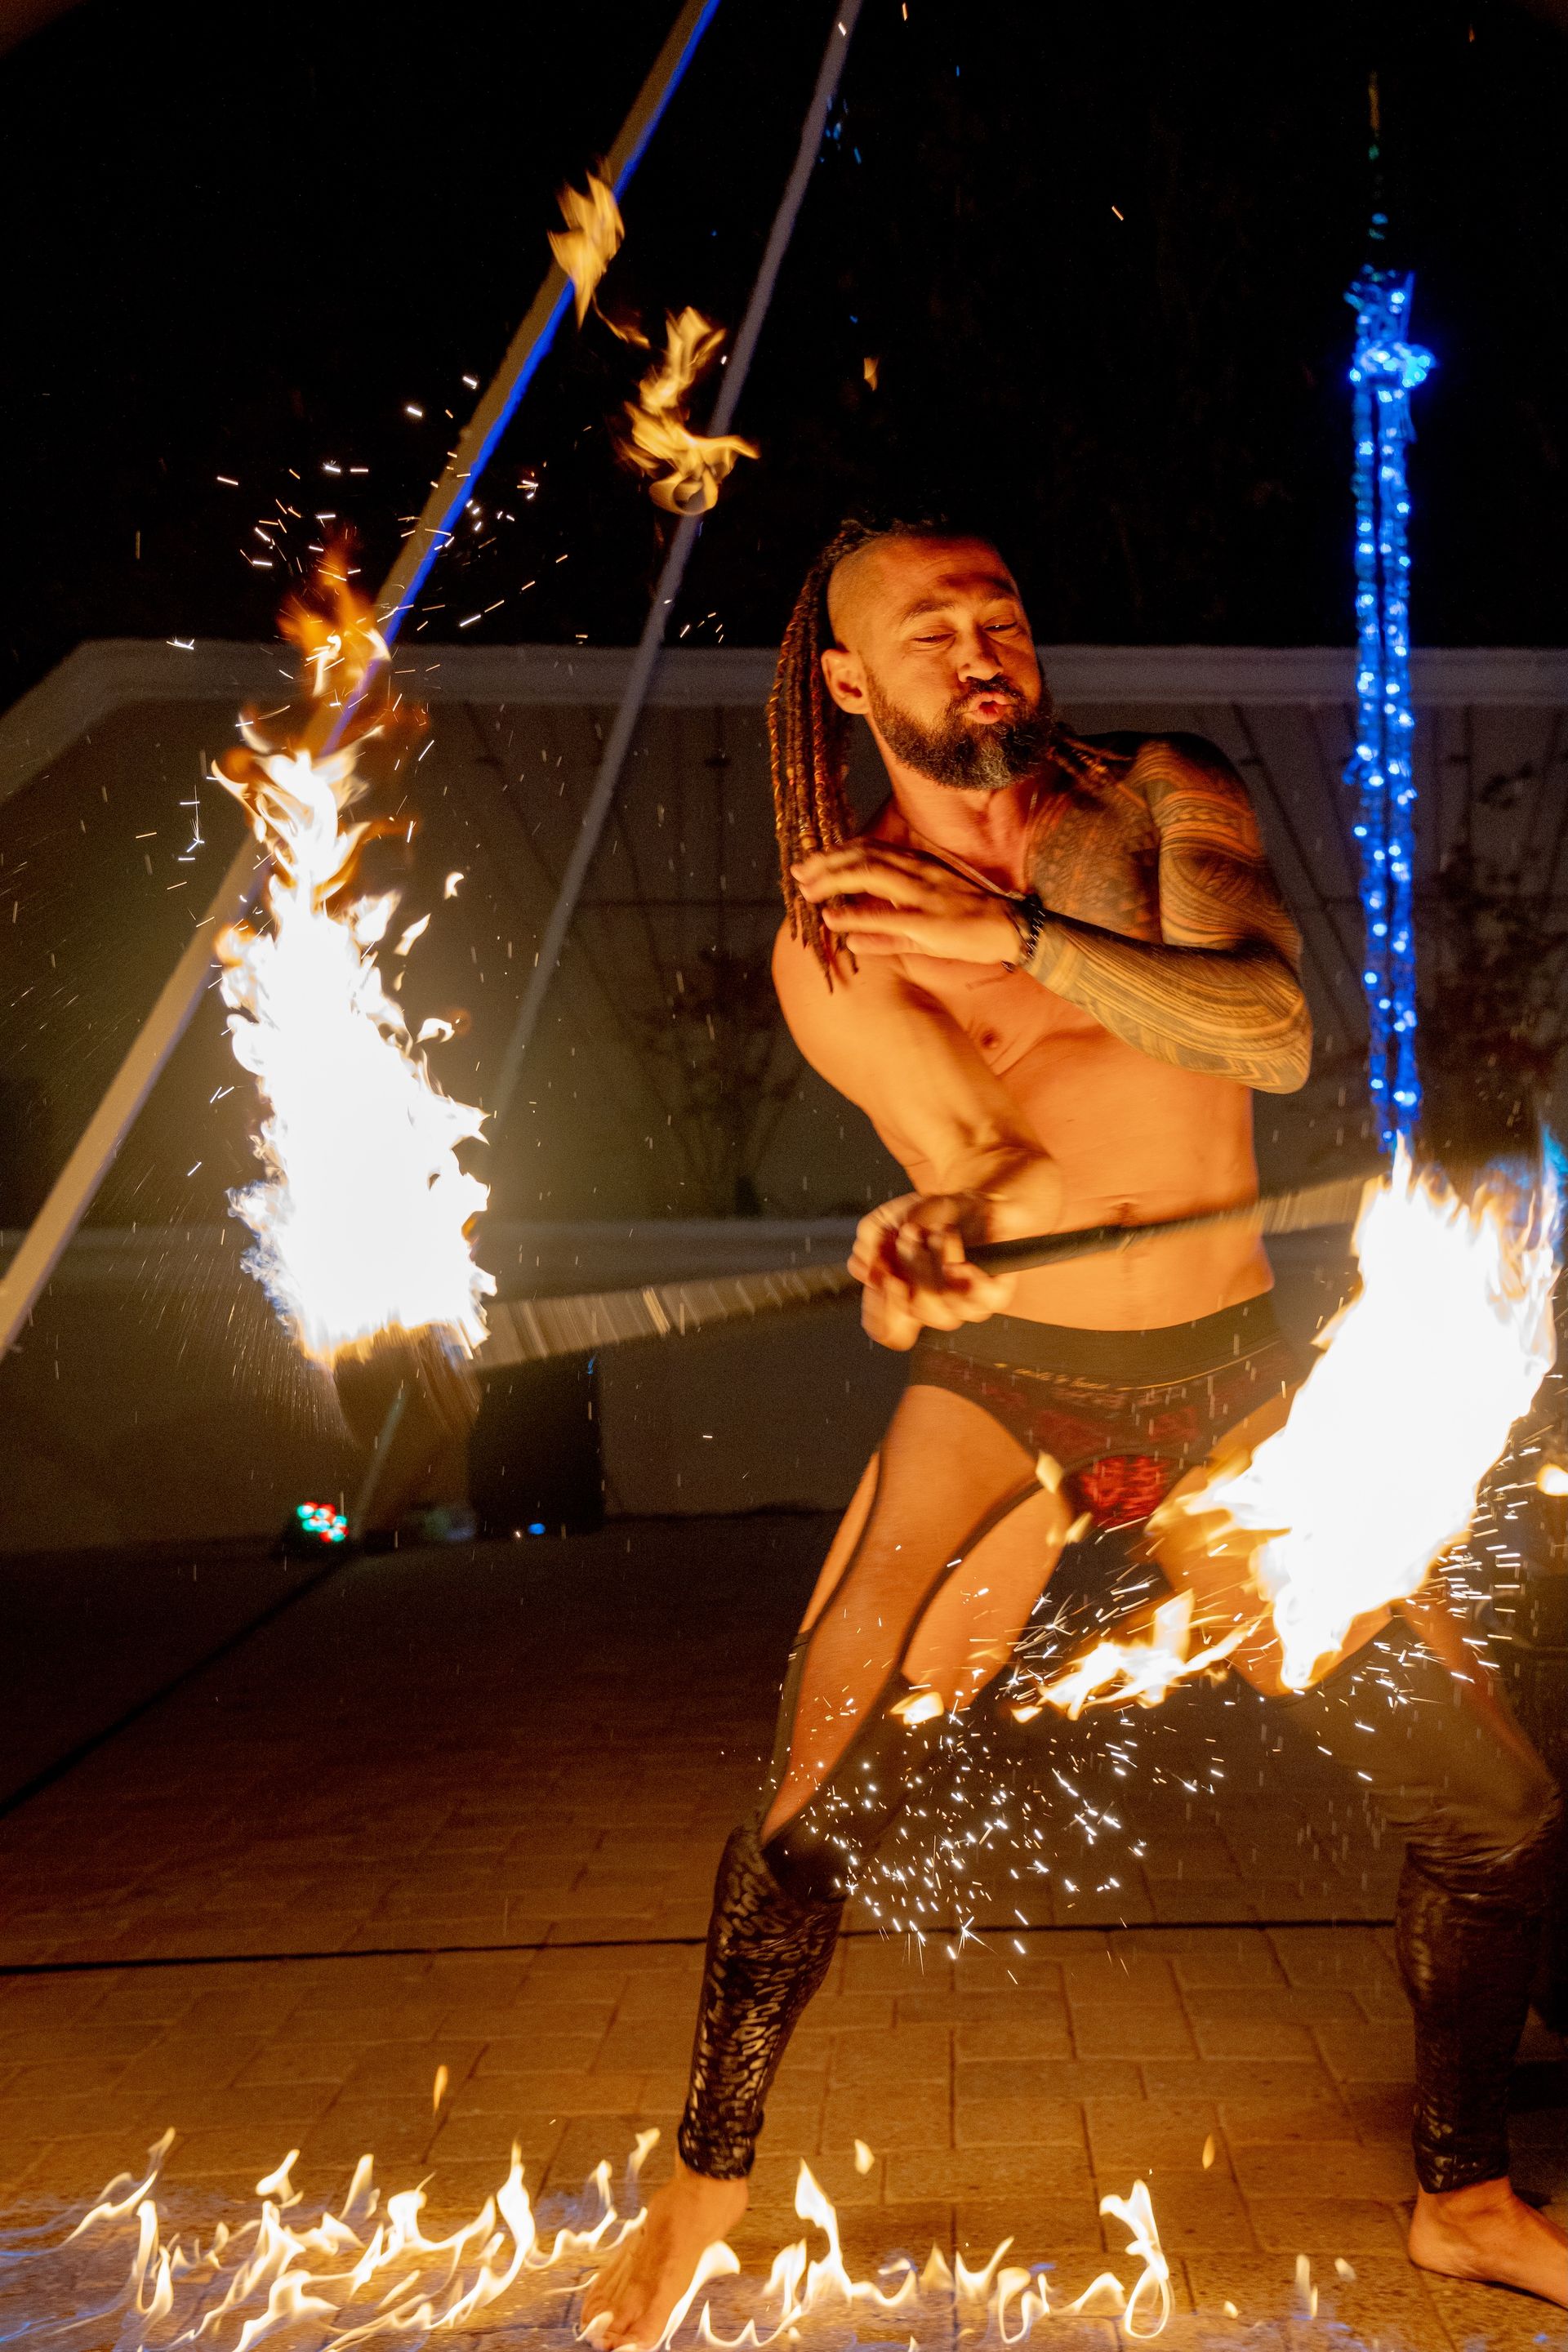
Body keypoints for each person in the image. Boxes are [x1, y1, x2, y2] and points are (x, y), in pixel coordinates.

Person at [583, 521, 1566, 2342]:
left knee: (1497, 1812)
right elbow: (985, 1148)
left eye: (1002, 612)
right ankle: (697, 2188)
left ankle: (1471, 2199)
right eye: (929, 627)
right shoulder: (837, 935)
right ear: (846, 684)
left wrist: (1020, 930)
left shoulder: (1164, 805)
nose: (982, 646)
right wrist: (942, 1219)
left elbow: (1266, 1037)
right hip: (1011, 1395)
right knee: (806, 1811)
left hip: (1231, 1397)